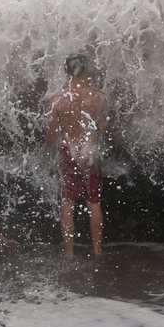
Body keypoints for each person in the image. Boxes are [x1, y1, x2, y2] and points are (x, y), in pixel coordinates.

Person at [46, 54, 110, 257]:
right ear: (87, 71)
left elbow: (51, 133)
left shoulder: (57, 99)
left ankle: (69, 253)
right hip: (90, 150)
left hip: (68, 149)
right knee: (94, 201)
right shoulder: (99, 98)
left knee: (67, 202)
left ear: (66, 72)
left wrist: (48, 151)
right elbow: (104, 130)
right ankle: (98, 252)